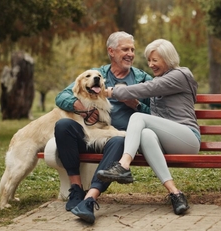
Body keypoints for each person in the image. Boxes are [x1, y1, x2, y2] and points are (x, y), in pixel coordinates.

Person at [54, 31, 153, 224]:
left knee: (118, 139)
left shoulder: (142, 79)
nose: (130, 54)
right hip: (91, 134)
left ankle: (89, 199)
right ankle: (75, 189)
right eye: (125, 49)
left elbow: (159, 114)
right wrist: (80, 108)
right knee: (63, 125)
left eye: (132, 49)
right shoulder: (96, 74)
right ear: (111, 52)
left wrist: (137, 106)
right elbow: (62, 96)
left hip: (118, 140)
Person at [97, 39, 201, 215]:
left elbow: (148, 88)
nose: (151, 64)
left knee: (138, 118)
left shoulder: (180, 75)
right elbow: (155, 117)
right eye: (149, 60)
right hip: (169, 139)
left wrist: (111, 92)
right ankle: (175, 193)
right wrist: (137, 106)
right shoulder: (160, 80)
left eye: (155, 60)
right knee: (145, 134)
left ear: (168, 58)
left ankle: (123, 165)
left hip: (188, 138)